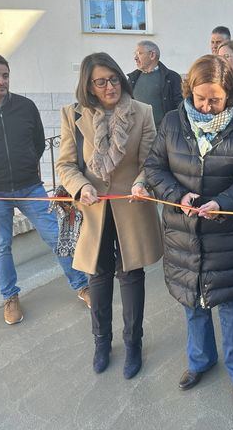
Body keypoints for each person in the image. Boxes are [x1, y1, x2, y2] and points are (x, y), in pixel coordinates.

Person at [143, 54, 233, 404]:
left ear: (230, 95)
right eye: (200, 98)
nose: (207, 107)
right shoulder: (171, 123)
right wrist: (177, 195)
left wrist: (223, 203)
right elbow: (154, 167)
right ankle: (201, 360)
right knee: (191, 301)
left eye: (216, 99)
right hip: (182, 232)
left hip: (224, 231)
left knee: (229, 303)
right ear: (189, 91)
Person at [0, 53, 90, 325]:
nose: (1, 80)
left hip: (30, 187)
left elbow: (37, 143)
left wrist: (25, 167)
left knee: (56, 236)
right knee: (1, 246)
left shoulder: (26, 107)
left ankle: (81, 285)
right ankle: (10, 297)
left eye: (5, 75)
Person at [55, 52, 163, 378]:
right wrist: (81, 186)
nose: (110, 86)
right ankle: (102, 343)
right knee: (98, 276)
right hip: (93, 210)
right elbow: (66, 165)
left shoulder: (142, 112)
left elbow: (151, 161)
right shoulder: (73, 115)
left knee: (131, 276)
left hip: (132, 206)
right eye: (100, 82)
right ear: (88, 86)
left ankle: (133, 344)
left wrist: (143, 183)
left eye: (114, 78)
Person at [127, 40, 183, 129]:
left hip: (163, 133)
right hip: (139, 133)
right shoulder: (133, 78)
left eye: (139, 54)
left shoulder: (171, 78)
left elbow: (180, 106)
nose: (135, 58)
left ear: (152, 55)